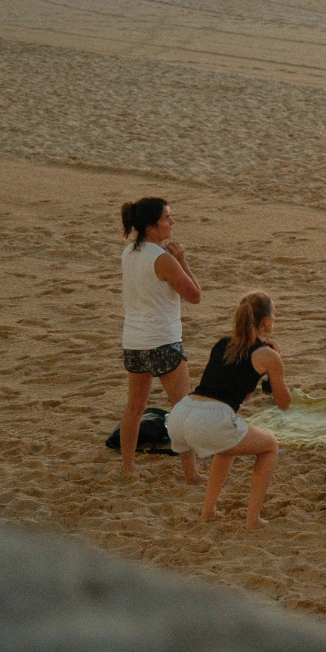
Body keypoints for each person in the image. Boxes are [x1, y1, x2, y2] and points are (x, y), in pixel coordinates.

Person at [166, 291, 288, 529]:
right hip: (209, 419)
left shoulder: (223, 344)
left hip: (181, 414)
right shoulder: (268, 355)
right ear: (265, 322)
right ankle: (253, 520)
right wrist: (275, 362)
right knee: (270, 446)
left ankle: (209, 510)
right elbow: (283, 402)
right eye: (274, 316)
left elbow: (243, 393)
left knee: (227, 447)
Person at [119, 197, 201, 477]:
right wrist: (182, 260)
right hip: (163, 341)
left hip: (134, 341)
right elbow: (195, 295)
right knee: (182, 409)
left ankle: (128, 465)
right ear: (152, 228)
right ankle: (190, 473)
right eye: (167, 218)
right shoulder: (163, 259)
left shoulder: (128, 252)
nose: (172, 223)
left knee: (134, 407)